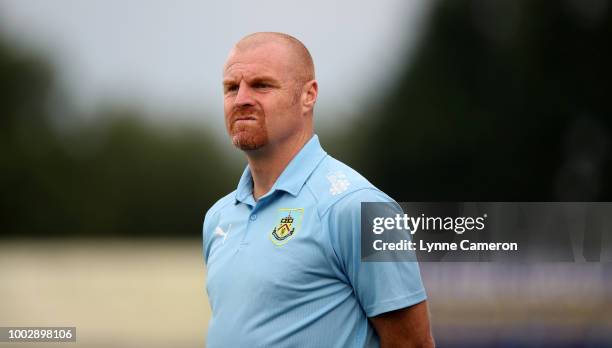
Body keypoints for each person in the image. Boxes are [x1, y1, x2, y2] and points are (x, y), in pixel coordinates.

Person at [202, 32, 434, 347]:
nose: (241, 99)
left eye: (261, 85)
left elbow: (412, 344)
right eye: (231, 87)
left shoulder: (363, 207)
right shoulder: (218, 217)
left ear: (308, 96)